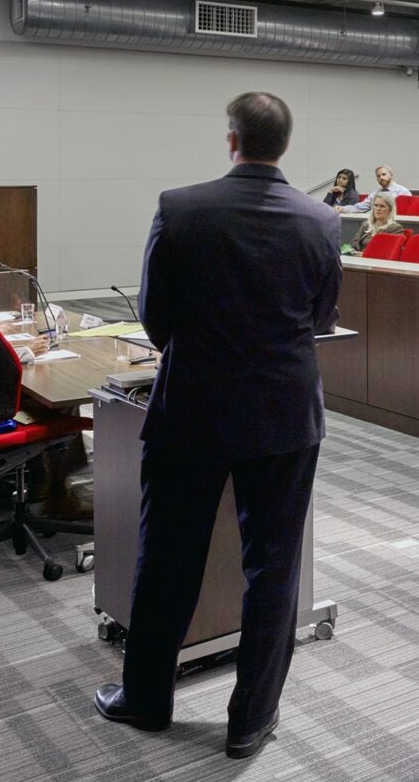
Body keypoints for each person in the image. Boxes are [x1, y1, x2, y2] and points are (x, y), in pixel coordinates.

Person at [96, 91, 341, 761]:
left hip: (192, 409)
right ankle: (250, 721)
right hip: (284, 415)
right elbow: (321, 317)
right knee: (274, 567)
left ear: (230, 140)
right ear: (283, 146)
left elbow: (155, 316)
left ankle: (145, 698)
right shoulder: (321, 220)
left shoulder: (180, 207)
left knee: (167, 555)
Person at [345, 165, 410, 213]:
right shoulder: (374, 194)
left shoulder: (403, 191)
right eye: (378, 176)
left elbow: (409, 212)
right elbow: (359, 207)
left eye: (383, 174)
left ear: (391, 175)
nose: (381, 177)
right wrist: (342, 209)